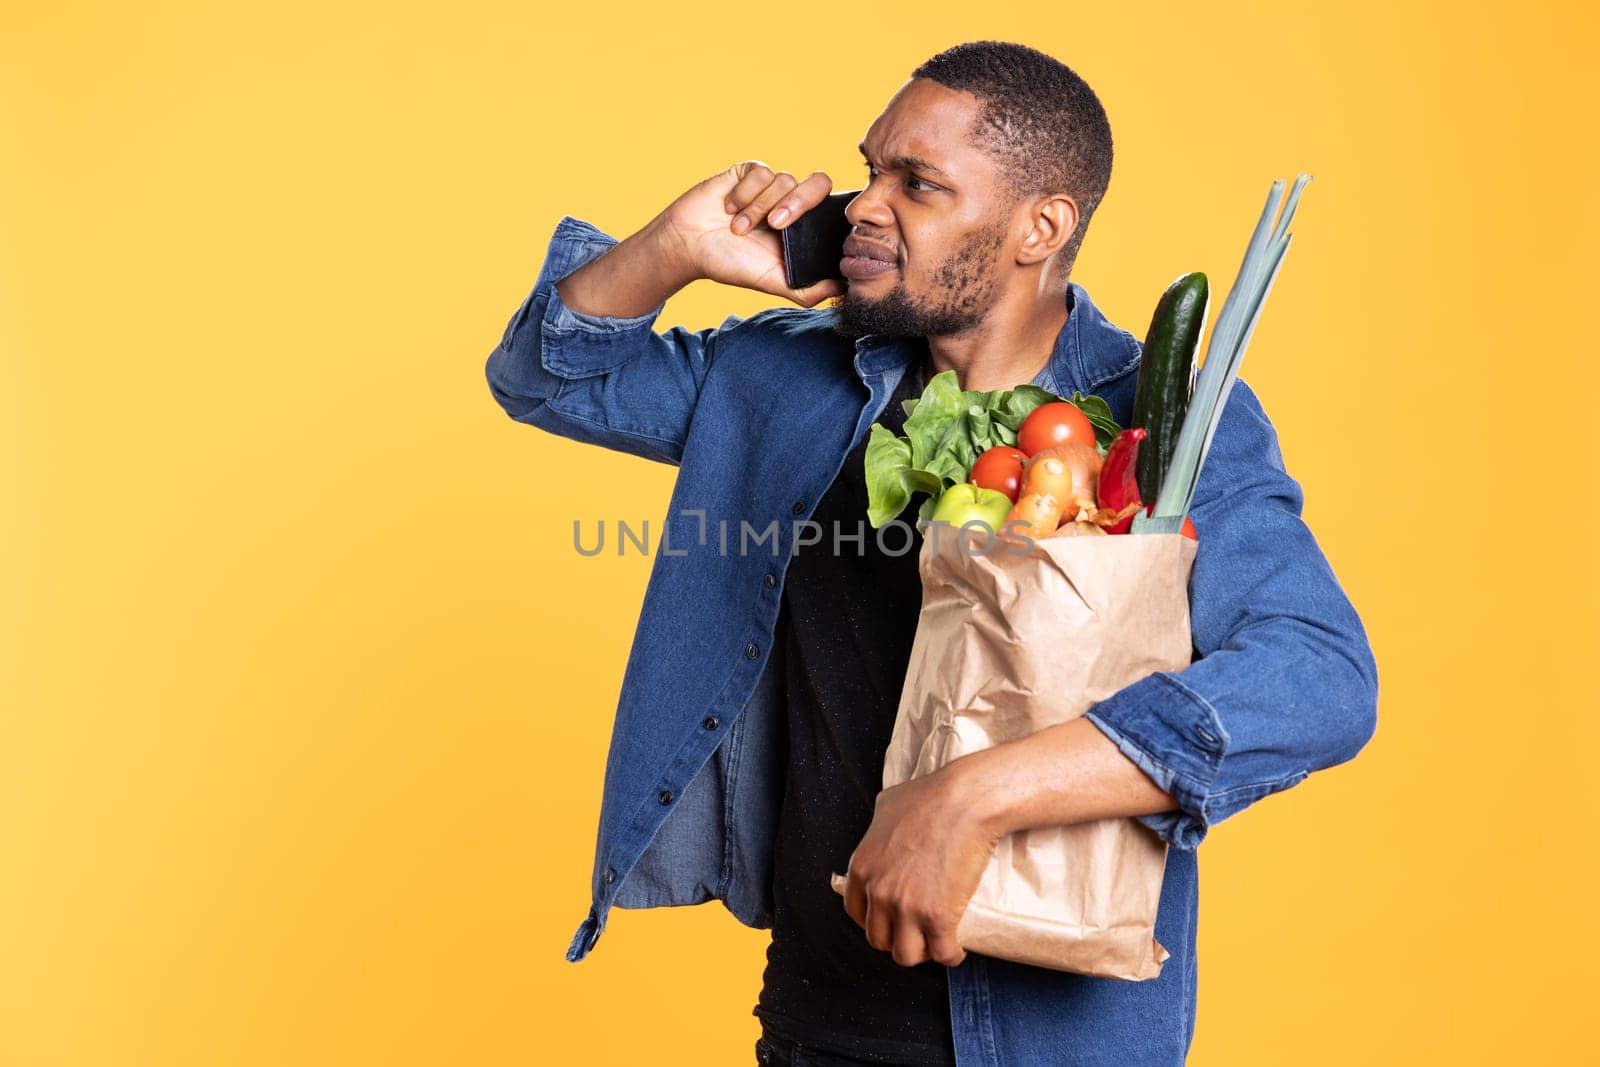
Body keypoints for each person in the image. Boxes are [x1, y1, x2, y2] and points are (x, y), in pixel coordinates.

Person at [484, 39, 1377, 1067]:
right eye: (868, 170)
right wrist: (676, 245)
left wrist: (970, 795)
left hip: (1048, 1037)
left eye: (917, 184)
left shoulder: (1163, 421)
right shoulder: (784, 381)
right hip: (814, 1020)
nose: (865, 204)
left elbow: (1318, 676)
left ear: (1041, 225)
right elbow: (544, 377)